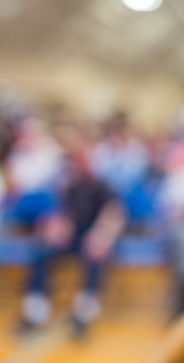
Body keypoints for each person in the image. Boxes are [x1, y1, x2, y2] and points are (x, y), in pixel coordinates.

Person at [18, 127, 125, 337]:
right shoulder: (71, 186)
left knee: (95, 257)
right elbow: (62, 215)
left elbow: (114, 214)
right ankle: (35, 313)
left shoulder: (104, 187)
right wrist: (56, 229)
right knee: (41, 250)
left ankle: (83, 316)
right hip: (73, 236)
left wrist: (101, 235)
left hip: (94, 238)